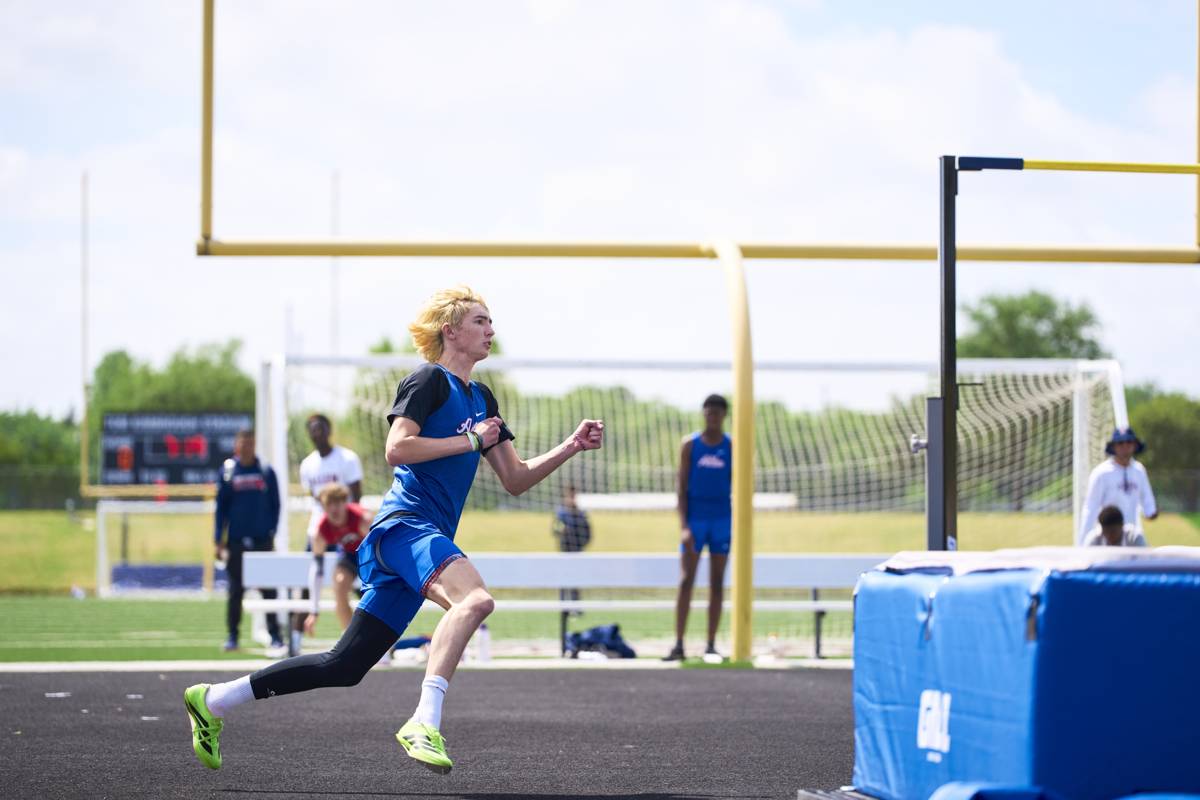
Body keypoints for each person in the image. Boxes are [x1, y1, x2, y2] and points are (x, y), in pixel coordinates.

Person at [184, 286, 604, 775]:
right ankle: (424, 721)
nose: (491, 330)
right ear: (451, 331)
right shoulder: (428, 380)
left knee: (344, 666)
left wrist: (571, 446)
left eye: (490, 322)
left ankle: (212, 700)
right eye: (481, 322)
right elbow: (397, 449)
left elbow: (515, 479)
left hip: (413, 542)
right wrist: (468, 440)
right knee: (475, 601)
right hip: (404, 527)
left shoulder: (482, 398)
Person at [664, 394, 731, 662]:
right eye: (708, 413)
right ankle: (679, 643)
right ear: (703, 414)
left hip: (721, 520)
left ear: (724, 415)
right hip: (696, 519)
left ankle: (711, 643)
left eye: (716, 413)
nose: (712, 418)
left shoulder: (732, 446)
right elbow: (681, 487)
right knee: (686, 581)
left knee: (716, 583)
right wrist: (684, 526)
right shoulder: (690, 445)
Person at [294, 415, 364, 650]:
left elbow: (357, 494)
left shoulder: (347, 459)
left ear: (329, 430)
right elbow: (316, 567)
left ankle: (374, 635)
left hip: (353, 534)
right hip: (327, 531)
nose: (317, 434)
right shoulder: (307, 465)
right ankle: (296, 636)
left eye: (321, 429)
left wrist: (348, 522)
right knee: (321, 579)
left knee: (364, 586)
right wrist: (314, 610)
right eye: (312, 430)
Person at [214, 429, 283, 653]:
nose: (246, 447)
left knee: (269, 590)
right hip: (236, 542)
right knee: (236, 591)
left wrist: (271, 530)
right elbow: (220, 509)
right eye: (242, 443)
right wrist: (218, 539)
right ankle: (233, 635)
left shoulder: (265, 471)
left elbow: (276, 504)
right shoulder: (228, 471)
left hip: (262, 541)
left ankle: (275, 635)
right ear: (236, 445)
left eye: (250, 443)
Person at [304, 482, 370, 635]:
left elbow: (381, 551)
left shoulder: (362, 520)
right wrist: (313, 611)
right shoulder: (320, 531)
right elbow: (317, 570)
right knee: (339, 584)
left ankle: (382, 643)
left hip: (370, 556)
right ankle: (350, 636)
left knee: (372, 596)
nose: (334, 509)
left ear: (345, 503)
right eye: (329, 505)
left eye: (338, 503)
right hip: (349, 556)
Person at [1077, 427, 1158, 546]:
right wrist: (1082, 542)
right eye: (1120, 443)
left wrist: (1150, 511)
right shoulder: (1101, 473)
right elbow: (1091, 508)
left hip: (1131, 535)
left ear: (1135, 445)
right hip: (1107, 536)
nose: (1125, 446)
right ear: (1114, 447)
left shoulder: (1139, 470)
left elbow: (1147, 498)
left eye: (1129, 442)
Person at [551, 483, 591, 610]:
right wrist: (561, 532)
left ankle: (577, 608)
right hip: (564, 551)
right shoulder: (561, 513)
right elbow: (554, 530)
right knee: (563, 580)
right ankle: (564, 607)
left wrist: (582, 543)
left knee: (576, 580)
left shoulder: (581, 514)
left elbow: (588, 533)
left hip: (577, 551)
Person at [1082, 505, 1148, 548]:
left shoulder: (1134, 538)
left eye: (1112, 532)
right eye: (1105, 532)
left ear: (1122, 526)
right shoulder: (1094, 539)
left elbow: (1146, 562)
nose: (1108, 536)